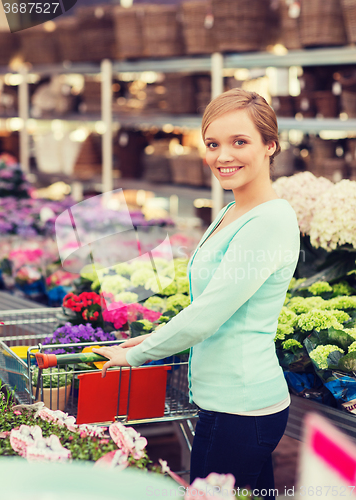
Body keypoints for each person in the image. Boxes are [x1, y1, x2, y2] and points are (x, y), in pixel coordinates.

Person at [92, 88, 300, 498]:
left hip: (241, 407)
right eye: (213, 144)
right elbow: (208, 304)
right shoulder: (233, 209)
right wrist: (148, 337)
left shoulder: (269, 221)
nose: (223, 156)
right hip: (226, 402)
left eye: (240, 142)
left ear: (270, 145)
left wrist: (136, 356)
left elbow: (208, 315)